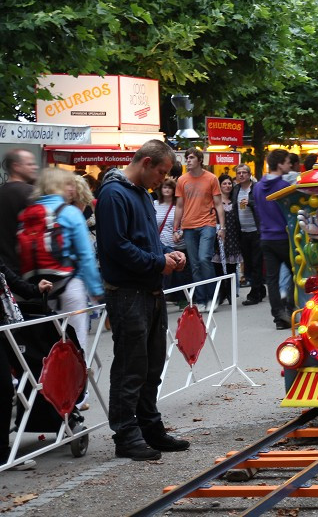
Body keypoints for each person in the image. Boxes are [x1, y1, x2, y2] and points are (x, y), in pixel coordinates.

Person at [95, 139, 189, 461]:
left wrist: (167, 254)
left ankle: (149, 427)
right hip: (127, 294)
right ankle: (126, 434)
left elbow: (144, 244)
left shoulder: (139, 195)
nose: (163, 180)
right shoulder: (113, 194)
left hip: (147, 292)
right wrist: (158, 262)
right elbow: (116, 247)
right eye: (161, 172)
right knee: (130, 368)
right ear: (146, 162)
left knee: (150, 366)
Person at [28, 168, 104, 356]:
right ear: (59, 186)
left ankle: (49, 382)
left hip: (39, 290)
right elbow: (85, 255)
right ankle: (78, 383)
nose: (72, 188)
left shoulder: (29, 212)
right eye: (68, 184)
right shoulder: (70, 212)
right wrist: (95, 290)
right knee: (76, 344)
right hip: (70, 286)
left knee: (48, 346)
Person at [1, 258, 51, 469]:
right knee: (3, 388)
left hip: (4, 330)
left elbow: (9, 277)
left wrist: (34, 289)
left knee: (4, 389)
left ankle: (3, 453)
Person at [172, 148, 225, 310]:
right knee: (194, 264)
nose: (188, 160)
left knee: (204, 259)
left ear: (200, 160)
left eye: (191, 157)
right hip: (188, 226)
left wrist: (222, 227)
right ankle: (201, 300)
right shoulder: (182, 180)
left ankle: (212, 298)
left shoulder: (211, 178)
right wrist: (176, 228)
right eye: (187, 158)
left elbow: (218, 204)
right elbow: (179, 206)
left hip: (207, 224)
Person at [253, 149, 293, 330]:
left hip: (266, 237)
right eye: (287, 161)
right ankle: (291, 310)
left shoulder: (258, 187)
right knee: (295, 273)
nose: (290, 165)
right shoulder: (284, 186)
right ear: (279, 164)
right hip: (283, 237)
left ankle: (278, 316)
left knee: (272, 278)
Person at [0, 149, 39, 272]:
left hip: (5, 267)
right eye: (30, 164)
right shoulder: (30, 193)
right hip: (24, 268)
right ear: (16, 166)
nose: (35, 167)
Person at [234, 164, 265, 306]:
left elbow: (265, 204)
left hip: (256, 231)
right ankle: (260, 289)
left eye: (244, 172)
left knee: (256, 262)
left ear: (249, 174)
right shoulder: (236, 190)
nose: (241, 175)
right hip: (242, 231)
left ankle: (254, 294)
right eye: (238, 173)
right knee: (248, 264)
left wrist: (251, 203)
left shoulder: (257, 187)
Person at [154, 177, 190, 298]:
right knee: (165, 272)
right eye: (164, 187)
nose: (167, 190)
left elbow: (185, 222)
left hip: (178, 243)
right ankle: (165, 297)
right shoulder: (155, 204)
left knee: (180, 274)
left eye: (169, 187)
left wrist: (180, 233)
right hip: (162, 244)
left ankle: (181, 299)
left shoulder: (179, 205)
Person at [211, 174, 242, 305]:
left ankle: (230, 292)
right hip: (218, 236)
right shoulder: (214, 201)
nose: (227, 186)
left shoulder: (235, 201)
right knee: (217, 266)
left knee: (232, 267)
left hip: (233, 237)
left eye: (229, 183)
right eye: (224, 183)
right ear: (219, 185)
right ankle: (220, 292)